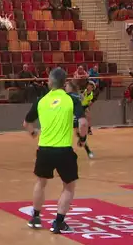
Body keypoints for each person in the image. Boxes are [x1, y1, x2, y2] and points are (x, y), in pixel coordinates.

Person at [23, 68, 88, 234]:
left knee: (40, 183)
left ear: (50, 82)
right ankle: (58, 222)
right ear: (64, 83)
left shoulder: (41, 101)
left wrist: (33, 133)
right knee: (69, 186)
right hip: (64, 151)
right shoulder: (72, 100)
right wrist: (82, 139)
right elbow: (82, 124)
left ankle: (35, 218)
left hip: (44, 149)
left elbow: (26, 123)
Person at [66, 81, 94, 159]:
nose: (65, 87)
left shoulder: (68, 96)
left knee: (76, 133)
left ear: (71, 87)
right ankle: (87, 149)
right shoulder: (78, 95)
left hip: (72, 117)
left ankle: (85, 146)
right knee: (78, 133)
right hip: (76, 116)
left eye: (66, 86)